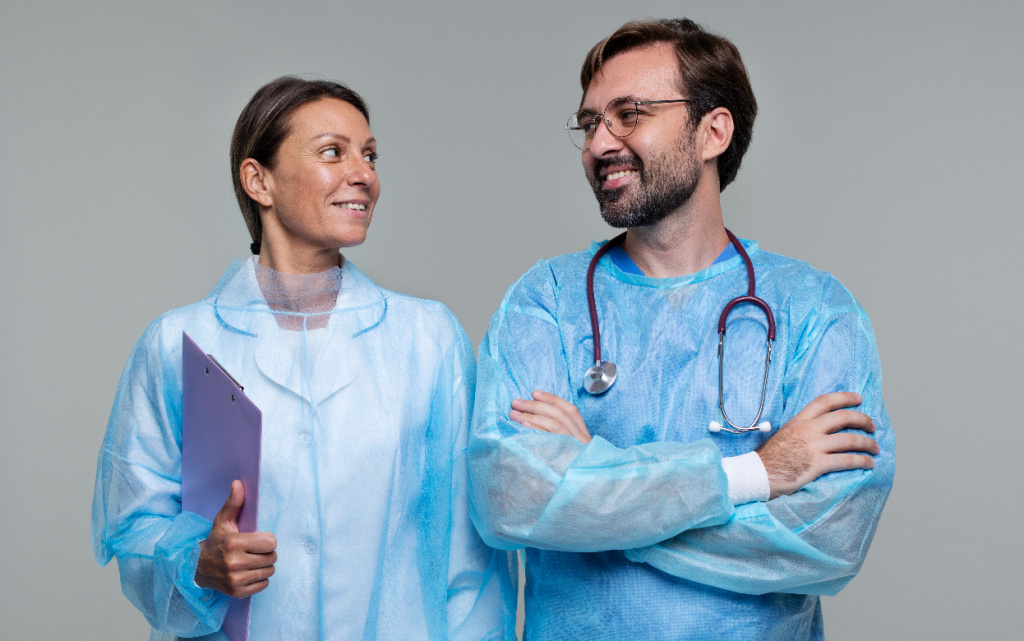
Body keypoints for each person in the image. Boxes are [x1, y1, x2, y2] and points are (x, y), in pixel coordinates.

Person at [468, 18, 894, 640]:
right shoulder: (545, 303)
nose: (599, 144)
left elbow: (828, 539)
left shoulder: (816, 312)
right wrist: (752, 475)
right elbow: (512, 500)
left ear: (712, 131)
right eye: (590, 123)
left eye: (630, 114)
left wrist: (593, 487)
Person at [92, 76, 514, 641]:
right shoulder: (178, 345)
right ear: (258, 180)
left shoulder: (428, 339)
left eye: (369, 155)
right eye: (332, 152)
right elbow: (133, 527)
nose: (363, 174)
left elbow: (471, 555)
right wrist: (196, 563)